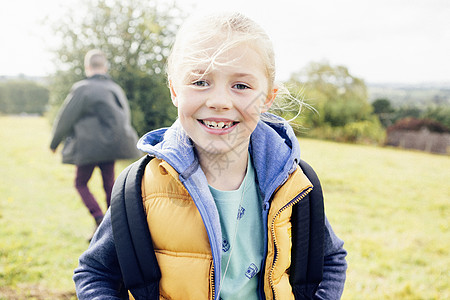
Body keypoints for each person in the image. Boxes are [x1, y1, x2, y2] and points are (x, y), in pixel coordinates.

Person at [73, 13, 347, 299]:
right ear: (175, 90)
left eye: (241, 86)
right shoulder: (140, 187)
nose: (218, 101)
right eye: (201, 82)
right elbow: (95, 272)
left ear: (267, 98)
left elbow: (331, 259)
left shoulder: (293, 183)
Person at [50, 49, 141, 230]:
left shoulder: (82, 88)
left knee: (80, 183)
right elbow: (125, 117)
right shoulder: (115, 89)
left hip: (88, 147)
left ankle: (99, 218)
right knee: (109, 185)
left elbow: (66, 117)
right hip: (111, 146)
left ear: (87, 67)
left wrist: (54, 142)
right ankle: (111, 226)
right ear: (105, 67)